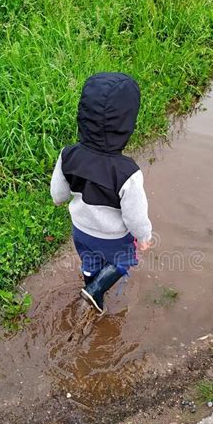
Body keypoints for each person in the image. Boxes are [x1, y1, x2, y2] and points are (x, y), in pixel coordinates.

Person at [50, 72, 152, 314]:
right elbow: (134, 215)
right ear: (127, 125)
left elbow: (58, 193)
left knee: (90, 260)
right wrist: (144, 236)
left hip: (81, 229)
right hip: (113, 236)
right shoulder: (128, 172)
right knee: (125, 260)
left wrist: (59, 201)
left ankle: (92, 287)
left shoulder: (68, 154)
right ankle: (95, 290)